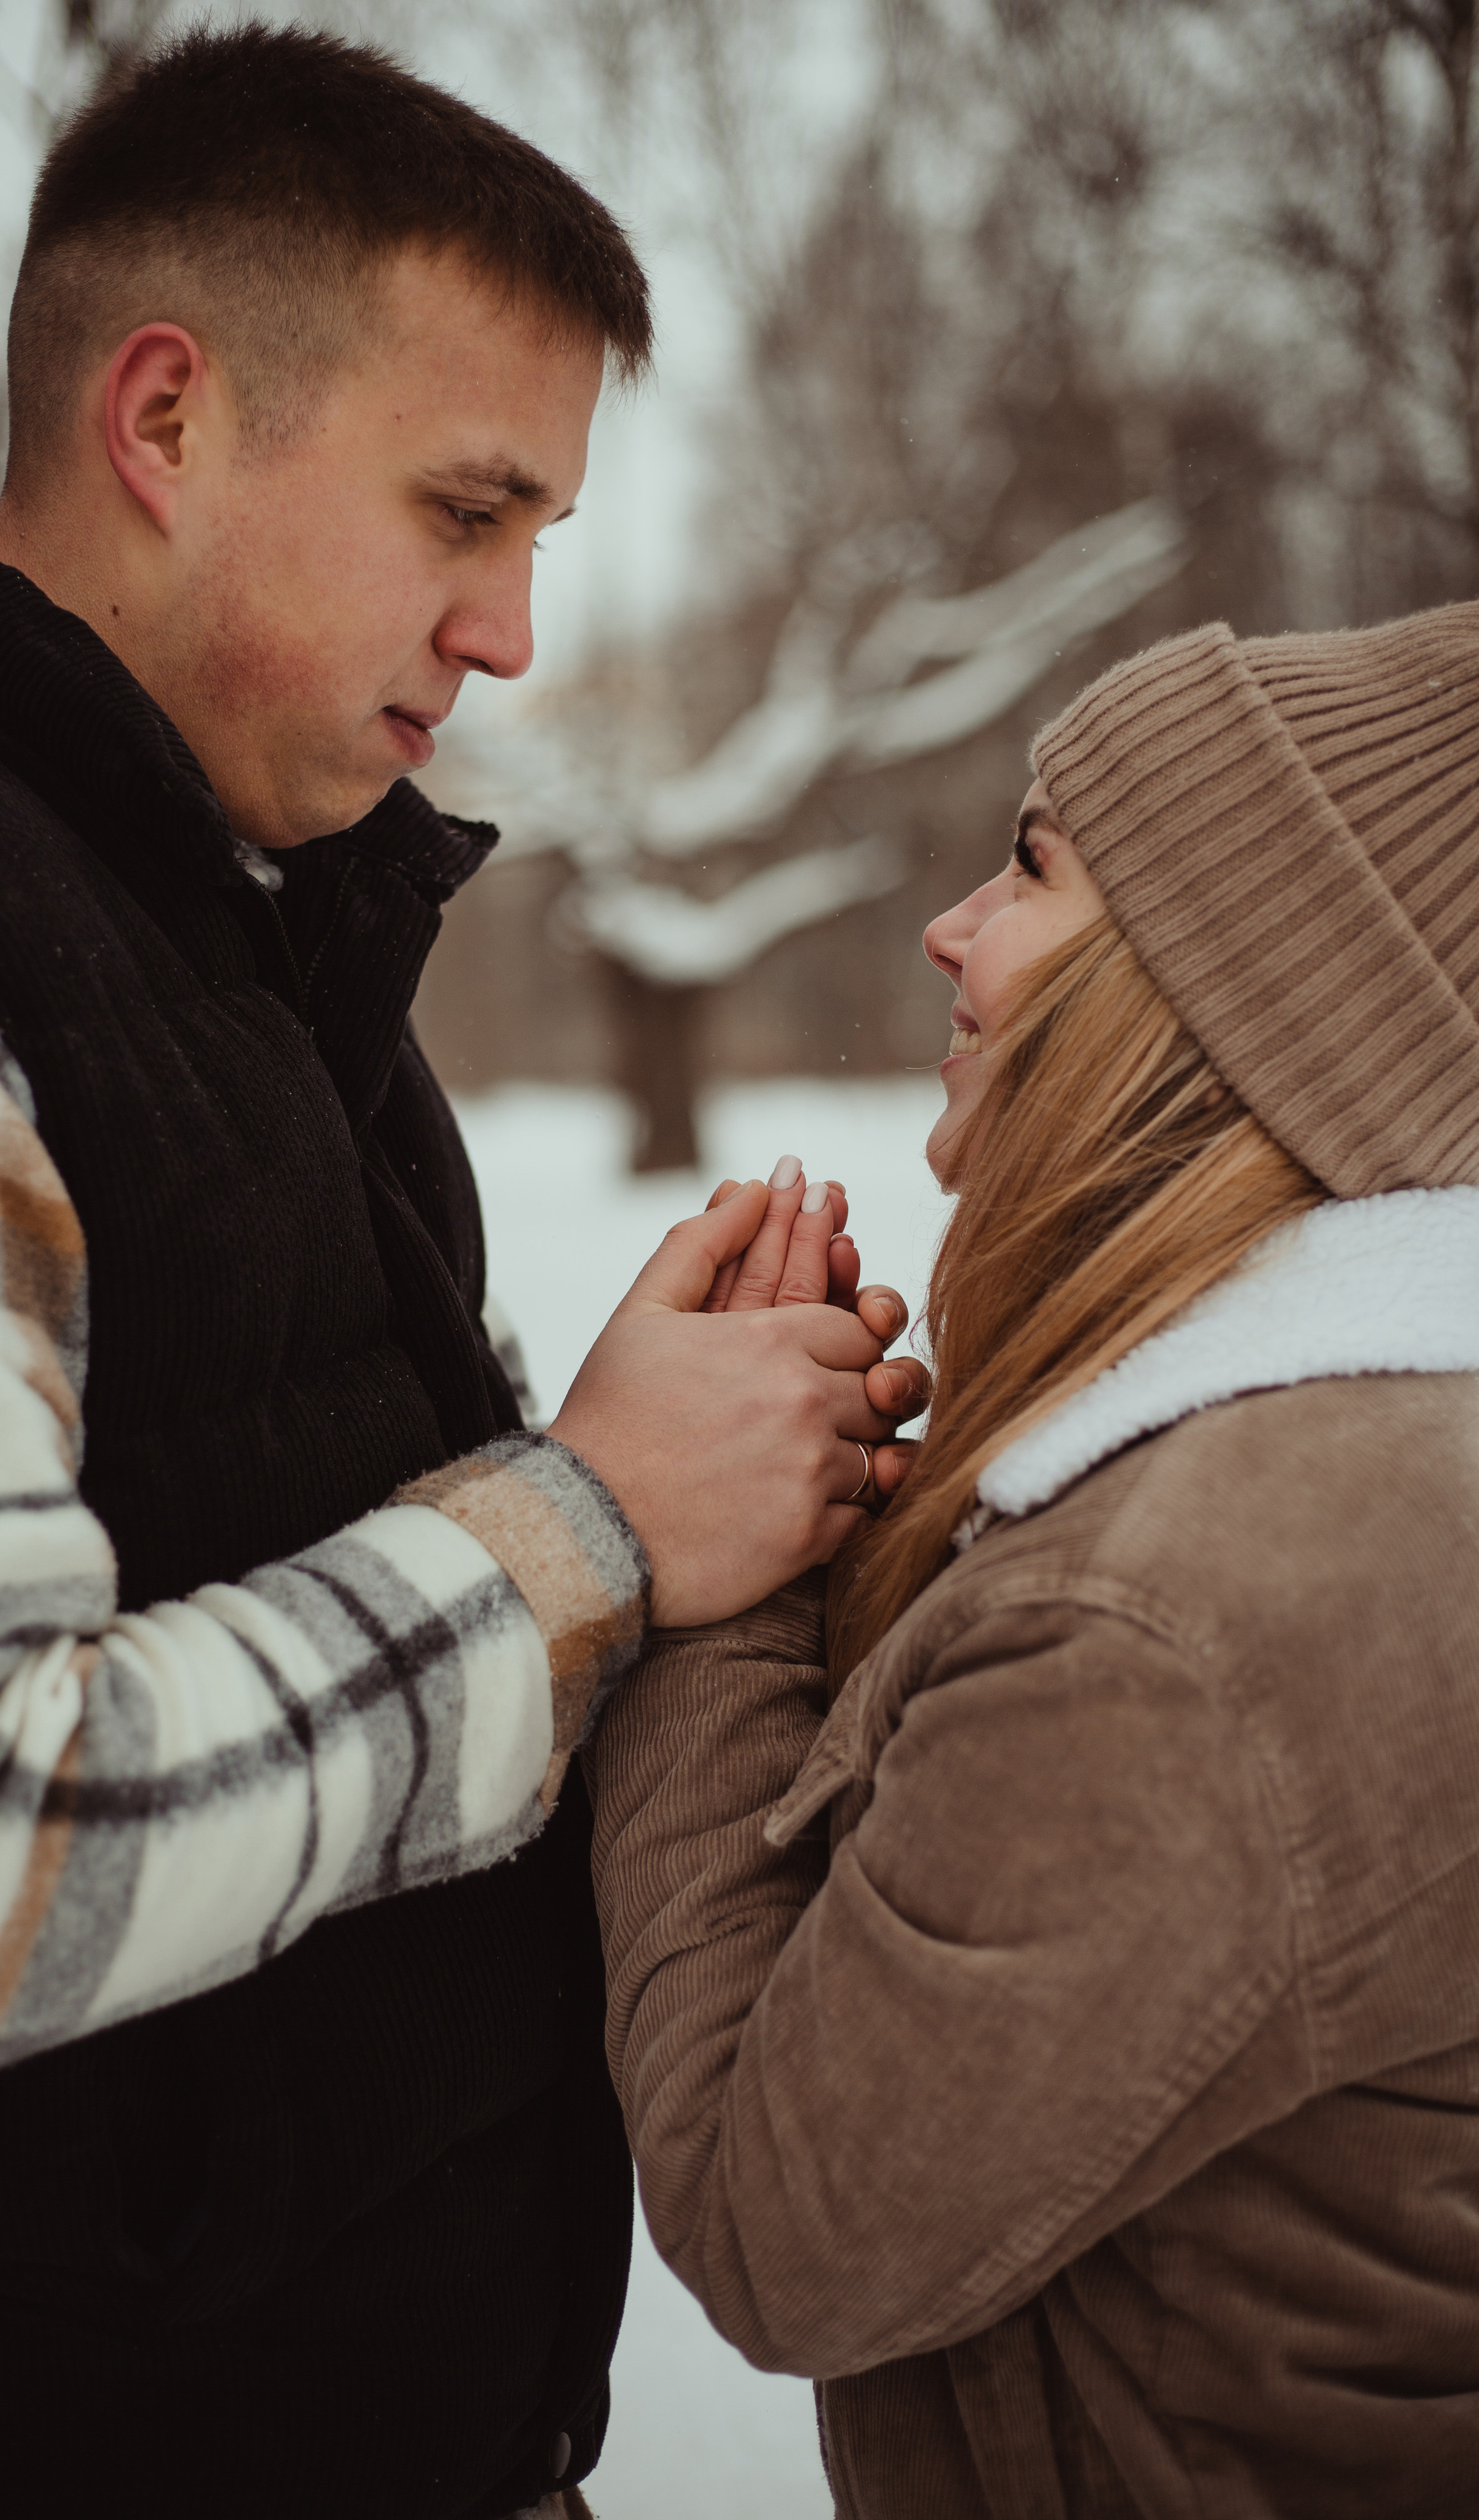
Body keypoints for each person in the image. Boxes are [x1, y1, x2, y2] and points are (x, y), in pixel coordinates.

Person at [0, 24, 916, 2515]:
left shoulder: (265, 941)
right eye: (469, 511)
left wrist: (678, 1485)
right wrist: (594, 1524)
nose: (513, 629)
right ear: (167, 420)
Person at [589, 602, 1479, 2515]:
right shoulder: (1363, 1469)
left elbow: (782, 2216)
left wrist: (719, 1578)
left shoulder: (1186, 1624)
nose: (948, 927)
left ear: (1221, 993)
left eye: (1031, 868)